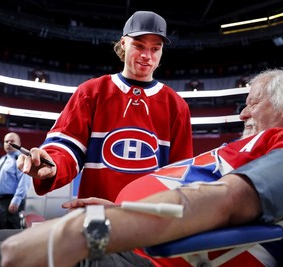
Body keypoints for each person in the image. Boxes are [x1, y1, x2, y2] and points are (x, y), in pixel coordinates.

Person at [0, 69, 283, 267]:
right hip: (137, 241)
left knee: (0, 259)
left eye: (252, 102)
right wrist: (117, 209)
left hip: (159, 265)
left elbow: (224, 201)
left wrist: (95, 228)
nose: (243, 114)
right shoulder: (254, 147)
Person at [23, 10, 193, 202]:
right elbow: (67, 147)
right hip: (96, 215)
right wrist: (52, 164)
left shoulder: (176, 105)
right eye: (139, 45)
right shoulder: (91, 92)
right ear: (123, 43)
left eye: (155, 48)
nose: (147, 55)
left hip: (151, 220)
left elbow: (180, 172)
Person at [0, 132, 32, 230]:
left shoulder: (20, 159)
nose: (8, 144)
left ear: (19, 144)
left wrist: (16, 200)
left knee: (10, 233)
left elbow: (24, 182)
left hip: (10, 201)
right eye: (6, 141)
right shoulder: (2, 160)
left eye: (12, 141)